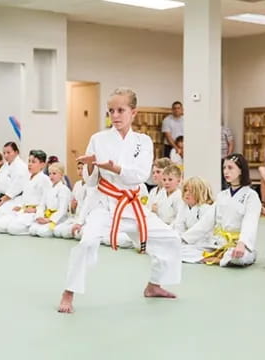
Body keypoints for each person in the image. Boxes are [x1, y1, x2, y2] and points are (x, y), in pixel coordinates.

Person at [58, 87, 181, 314]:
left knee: (171, 238)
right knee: (87, 242)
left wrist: (115, 167)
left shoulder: (143, 142)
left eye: (121, 110)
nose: (115, 115)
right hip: (105, 204)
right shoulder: (98, 138)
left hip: (132, 204)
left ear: (133, 113)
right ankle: (69, 291)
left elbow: (141, 175)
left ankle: (154, 285)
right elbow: (91, 182)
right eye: (111, 110)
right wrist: (90, 166)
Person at [181, 154, 261, 267]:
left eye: (230, 167)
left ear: (241, 170)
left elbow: (250, 222)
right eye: (224, 168)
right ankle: (217, 258)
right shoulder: (222, 195)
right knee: (180, 250)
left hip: (237, 245)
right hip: (218, 243)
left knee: (237, 257)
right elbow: (205, 223)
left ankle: (218, 258)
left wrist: (242, 243)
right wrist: (183, 238)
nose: (226, 171)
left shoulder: (251, 196)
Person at [0, 150, 51, 235]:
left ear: (42, 165)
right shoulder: (27, 177)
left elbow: (47, 200)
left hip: (34, 212)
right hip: (23, 210)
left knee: (13, 229)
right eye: (29, 161)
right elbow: (25, 197)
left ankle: (33, 227)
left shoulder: (44, 179)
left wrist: (35, 210)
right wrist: (20, 206)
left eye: (33, 162)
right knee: (0, 225)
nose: (30, 164)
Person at [174, 177, 214, 263]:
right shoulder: (183, 207)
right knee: (171, 248)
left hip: (204, 243)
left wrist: (183, 240)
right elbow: (178, 226)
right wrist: (176, 239)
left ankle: (206, 258)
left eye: (191, 191)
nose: (187, 194)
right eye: (185, 190)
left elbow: (202, 231)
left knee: (178, 252)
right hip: (188, 243)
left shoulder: (206, 208)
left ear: (200, 193)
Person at [29, 162, 71, 238]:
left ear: (61, 175)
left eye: (54, 173)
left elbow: (62, 210)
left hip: (58, 219)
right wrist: (39, 216)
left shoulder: (64, 189)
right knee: (32, 230)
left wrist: (49, 220)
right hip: (46, 216)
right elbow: (41, 205)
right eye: (50, 173)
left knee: (42, 232)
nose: (51, 176)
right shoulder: (48, 189)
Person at [0, 142, 29, 223]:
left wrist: (1, 201)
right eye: (4, 153)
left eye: (8, 152)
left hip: (15, 199)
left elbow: (15, 189)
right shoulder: (5, 166)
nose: (6, 156)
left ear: (16, 152)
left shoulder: (21, 167)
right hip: (1, 199)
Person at [221, 125, 234, 190]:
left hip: (224, 158)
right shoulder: (210, 130)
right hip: (213, 160)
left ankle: (226, 191)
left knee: (225, 176)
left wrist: (228, 157)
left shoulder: (226, 129)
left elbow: (231, 143)